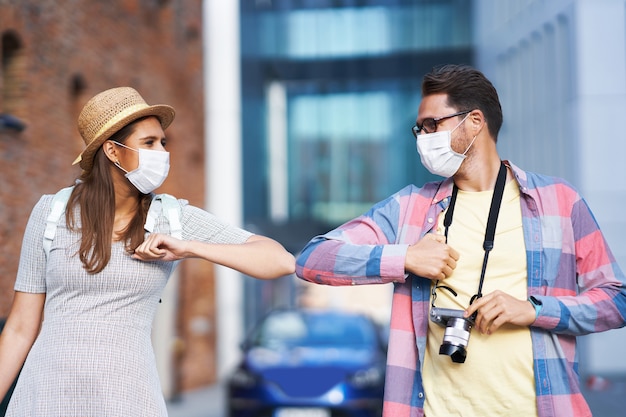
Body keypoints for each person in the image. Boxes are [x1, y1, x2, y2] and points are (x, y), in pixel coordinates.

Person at [296, 64, 626, 417]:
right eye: (419, 129)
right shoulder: (408, 208)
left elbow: (616, 300)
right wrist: (404, 258)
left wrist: (533, 310)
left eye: (432, 125)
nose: (423, 137)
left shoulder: (561, 201)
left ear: (475, 121)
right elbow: (312, 259)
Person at [0, 86, 296, 416]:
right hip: (45, 395)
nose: (162, 153)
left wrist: (189, 248)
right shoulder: (51, 213)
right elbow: (19, 328)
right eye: (149, 143)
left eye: (163, 142)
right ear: (113, 151)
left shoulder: (171, 217)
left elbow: (280, 261)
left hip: (127, 395)